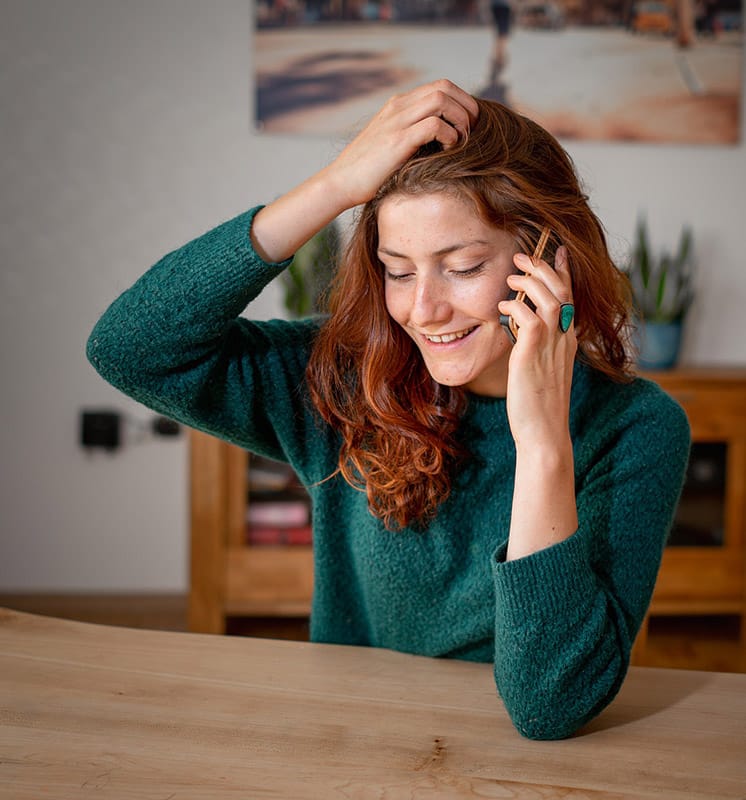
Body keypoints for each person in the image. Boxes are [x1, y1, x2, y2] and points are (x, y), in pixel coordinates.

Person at [87, 80, 690, 740]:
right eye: (398, 270)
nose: (422, 310)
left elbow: (551, 704)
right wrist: (337, 185)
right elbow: (129, 348)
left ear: (548, 261)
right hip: (352, 741)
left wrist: (542, 441)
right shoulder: (347, 379)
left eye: (461, 266)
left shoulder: (638, 429)